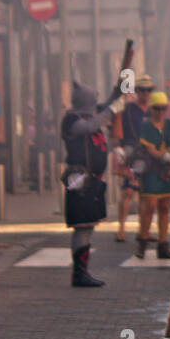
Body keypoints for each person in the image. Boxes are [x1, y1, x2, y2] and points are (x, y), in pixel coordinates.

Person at [61, 79, 123, 287]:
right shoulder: (71, 119)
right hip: (79, 180)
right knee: (82, 226)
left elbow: (104, 108)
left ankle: (83, 272)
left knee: (88, 227)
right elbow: (89, 127)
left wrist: (117, 93)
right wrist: (111, 110)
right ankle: (79, 274)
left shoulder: (90, 115)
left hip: (94, 181)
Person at [135, 92, 170, 260]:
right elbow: (149, 149)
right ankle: (142, 241)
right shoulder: (146, 126)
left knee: (165, 206)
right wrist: (163, 156)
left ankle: (163, 244)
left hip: (167, 172)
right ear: (151, 109)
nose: (161, 112)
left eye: (163, 108)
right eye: (157, 108)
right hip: (151, 171)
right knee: (150, 206)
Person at [112, 72, 154, 243]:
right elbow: (117, 125)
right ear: (136, 91)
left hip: (150, 153)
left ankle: (143, 230)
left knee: (147, 195)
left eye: (148, 90)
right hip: (132, 151)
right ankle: (121, 227)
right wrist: (118, 148)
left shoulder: (154, 109)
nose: (145, 93)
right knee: (128, 191)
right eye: (142, 90)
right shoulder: (128, 108)